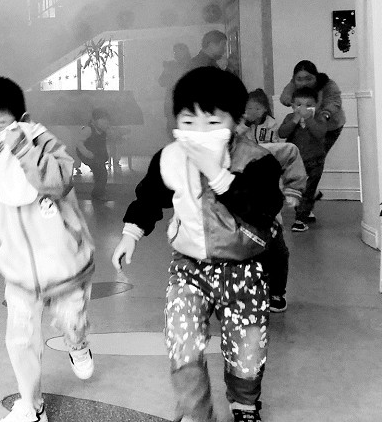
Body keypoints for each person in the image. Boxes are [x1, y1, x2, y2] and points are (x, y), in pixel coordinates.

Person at [111, 66, 283, 422]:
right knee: (182, 341)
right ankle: (195, 411)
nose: (198, 133)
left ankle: (244, 403)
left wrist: (218, 175)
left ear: (236, 122)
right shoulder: (170, 158)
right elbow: (149, 198)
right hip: (189, 269)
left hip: (245, 270)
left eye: (212, 122)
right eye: (188, 122)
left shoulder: (257, 160)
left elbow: (264, 208)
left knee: (247, 349)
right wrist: (131, 233)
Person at [0, 76, 96, 422]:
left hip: (65, 265)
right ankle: (33, 406)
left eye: (0, 126)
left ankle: (77, 344)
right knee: (20, 341)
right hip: (19, 270)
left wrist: (22, 149)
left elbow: (60, 181)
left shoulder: (44, 142)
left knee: (72, 322)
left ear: (22, 121)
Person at [279, 60, 345, 207]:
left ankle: (306, 202)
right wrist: (297, 106)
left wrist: (323, 115)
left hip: (329, 126)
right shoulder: (293, 84)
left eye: (308, 78)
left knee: (315, 160)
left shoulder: (328, 85)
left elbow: (334, 103)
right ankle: (308, 193)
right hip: (302, 126)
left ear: (316, 76)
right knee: (300, 162)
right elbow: (284, 98)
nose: (304, 83)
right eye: (299, 79)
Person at [258, 142, 307, 313]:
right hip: (228, 222)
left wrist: (293, 188)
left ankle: (276, 293)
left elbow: (291, 152)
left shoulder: (257, 152)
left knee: (278, 254)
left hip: (266, 218)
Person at [278, 87, 328, 233]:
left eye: (308, 105)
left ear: (316, 105)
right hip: (295, 162)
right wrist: (294, 121)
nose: (303, 109)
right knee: (296, 189)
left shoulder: (319, 117)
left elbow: (320, 133)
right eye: (299, 105)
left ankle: (300, 219)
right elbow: (282, 133)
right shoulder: (290, 118)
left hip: (315, 161)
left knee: (308, 191)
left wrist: (309, 119)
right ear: (293, 105)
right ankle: (306, 207)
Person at [76, 108, 112, 201]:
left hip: (96, 154)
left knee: (101, 173)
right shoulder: (88, 130)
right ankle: (98, 193)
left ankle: (99, 191)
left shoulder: (103, 131)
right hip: (86, 153)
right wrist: (87, 153)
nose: (105, 123)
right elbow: (79, 143)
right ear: (94, 121)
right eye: (102, 120)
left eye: (106, 120)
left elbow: (103, 144)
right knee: (101, 173)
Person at [159, 43, 192, 136]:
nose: (175, 54)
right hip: (172, 107)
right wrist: (167, 70)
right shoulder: (171, 66)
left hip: (187, 107)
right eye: (174, 52)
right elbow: (161, 82)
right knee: (173, 134)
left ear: (185, 52)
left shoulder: (192, 65)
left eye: (178, 51)